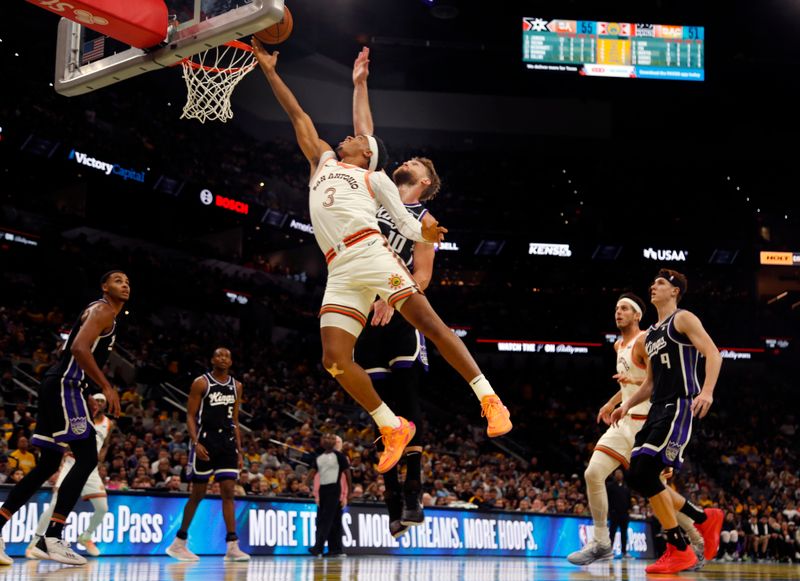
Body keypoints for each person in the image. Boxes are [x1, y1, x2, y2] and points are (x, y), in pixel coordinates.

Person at [250, 38, 511, 477]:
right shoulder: (325, 159)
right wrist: (271, 72)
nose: (347, 135)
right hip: (339, 268)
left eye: (357, 138)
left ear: (369, 153)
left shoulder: (374, 180)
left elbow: (409, 226)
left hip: (371, 253)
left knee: (429, 324)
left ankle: (488, 396)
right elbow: (299, 115)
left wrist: (425, 231)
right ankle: (391, 425)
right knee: (333, 359)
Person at [350, 46, 440, 537]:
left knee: (407, 398)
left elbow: (423, 276)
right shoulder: (378, 191)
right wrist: (360, 83)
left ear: (423, 182)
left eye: (412, 163)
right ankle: (390, 502)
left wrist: (393, 295)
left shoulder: (423, 219)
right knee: (380, 411)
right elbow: (366, 139)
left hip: (399, 312)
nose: (402, 161)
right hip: (364, 314)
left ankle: (413, 492)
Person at [0, 270, 126, 565]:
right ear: (104, 287)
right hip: (64, 385)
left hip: (60, 384)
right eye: (118, 280)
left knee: (47, 465)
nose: (125, 284)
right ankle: (53, 535)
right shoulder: (102, 309)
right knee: (87, 458)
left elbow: (67, 350)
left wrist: (81, 391)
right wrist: (105, 386)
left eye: (128, 281)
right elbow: (79, 348)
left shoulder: (103, 314)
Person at [610, 269, 724, 574]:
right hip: (657, 407)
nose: (653, 286)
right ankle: (702, 518)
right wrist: (625, 405)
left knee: (645, 471)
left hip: (679, 404)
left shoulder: (683, 319)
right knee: (637, 477)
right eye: (653, 283)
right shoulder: (651, 334)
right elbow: (649, 382)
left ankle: (678, 547)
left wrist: (708, 391)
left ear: (675, 291)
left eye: (660, 283)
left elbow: (713, 353)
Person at [166, 348, 249, 562]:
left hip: (228, 442)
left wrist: (239, 450)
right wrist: (196, 442)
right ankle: (179, 542)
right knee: (198, 494)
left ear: (231, 361)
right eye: (219, 355)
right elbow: (191, 416)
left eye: (227, 356)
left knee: (229, 492)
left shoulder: (237, 386)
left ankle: (232, 545)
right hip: (206, 439)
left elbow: (236, 420)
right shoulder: (201, 382)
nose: (223, 359)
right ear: (212, 359)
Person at [26, 393, 114, 559]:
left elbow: (106, 444)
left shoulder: (109, 424)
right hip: (71, 462)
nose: (100, 404)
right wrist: (58, 467)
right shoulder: (79, 418)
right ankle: (34, 543)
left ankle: (86, 536)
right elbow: (63, 441)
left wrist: (101, 457)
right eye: (98, 400)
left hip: (91, 468)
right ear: (91, 402)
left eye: (103, 401)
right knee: (54, 505)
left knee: (103, 508)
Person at [307, 434, 352, 557]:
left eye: (338, 442)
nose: (336, 443)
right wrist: (317, 495)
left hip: (336, 493)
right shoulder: (322, 458)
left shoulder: (341, 458)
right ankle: (330, 549)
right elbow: (317, 477)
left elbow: (345, 479)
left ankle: (332, 549)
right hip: (325, 493)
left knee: (334, 522)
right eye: (335, 441)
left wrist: (345, 496)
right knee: (327, 521)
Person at [606, 469, 632, 559]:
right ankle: (609, 551)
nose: (619, 475)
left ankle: (624, 552)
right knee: (612, 533)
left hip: (624, 514)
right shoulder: (610, 486)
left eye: (620, 473)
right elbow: (607, 499)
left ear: (623, 475)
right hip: (614, 514)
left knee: (624, 534)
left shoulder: (626, 486)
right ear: (614, 475)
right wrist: (609, 511)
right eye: (617, 473)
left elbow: (629, 499)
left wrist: (629, 509)